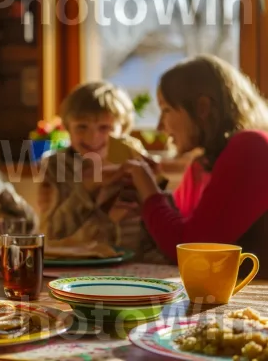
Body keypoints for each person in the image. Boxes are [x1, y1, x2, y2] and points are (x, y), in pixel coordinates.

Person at [121, 54, 268, 277]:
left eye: (166, 109)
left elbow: (191, 250)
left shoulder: (252, 147)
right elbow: (177, 230)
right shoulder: (203, 165)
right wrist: (154, 184)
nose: (160, 126)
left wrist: (147, 188)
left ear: (203, 107)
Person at [38, 81, 168, 263]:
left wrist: (153, 185)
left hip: (136, 262)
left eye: (104, 128)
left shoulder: (134, 157)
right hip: (78, 265)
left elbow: (163, 224)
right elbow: (50, 234)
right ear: (68, 127)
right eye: (82, 127)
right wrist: (87, 189)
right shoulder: (57, 165)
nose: (93, 137)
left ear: (122, 129)